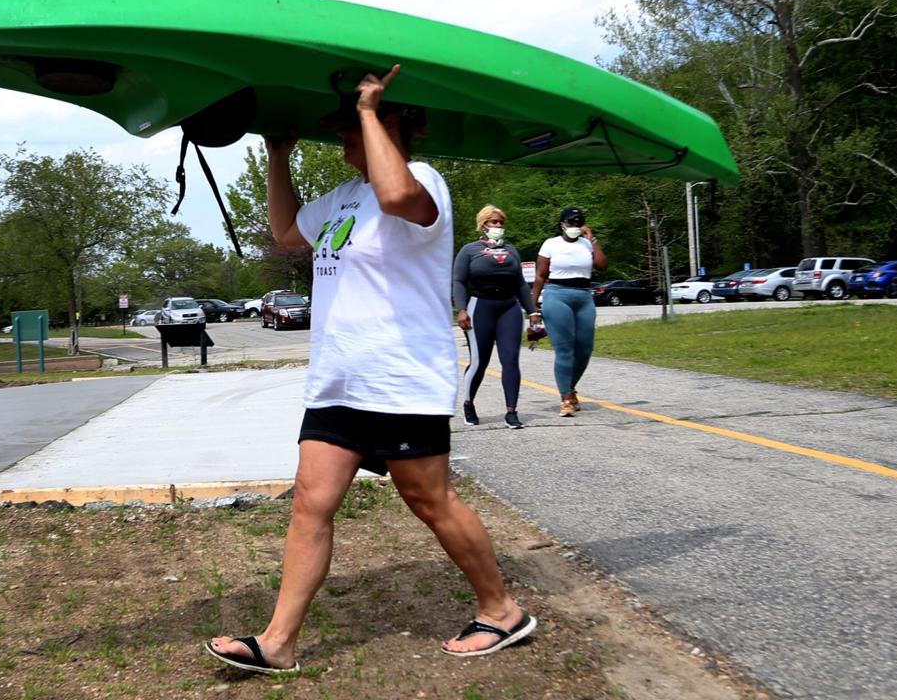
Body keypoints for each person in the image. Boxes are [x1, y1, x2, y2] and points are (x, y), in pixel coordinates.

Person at [206, 65, 536, 674]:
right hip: (339, 378)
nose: (343, 141)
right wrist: (278, 156)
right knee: (311, 500)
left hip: (400, 376)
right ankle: (278, 641)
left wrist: (367, 110)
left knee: (429, 499)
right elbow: (285, 233)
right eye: (342, 130)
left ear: (394, 125)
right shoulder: (342, 199)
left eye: (352, 129)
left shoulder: (425, 183)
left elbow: (395, 196)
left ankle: (502, 609)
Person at [452, 205, 538, 429]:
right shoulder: (469, 250)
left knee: (510, 361)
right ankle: (469, 403)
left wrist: (533, 312)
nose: (498, 226)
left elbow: (520, 283)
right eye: (494, 222)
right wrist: (460, 308)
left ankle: (511, 411)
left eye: (501, 222)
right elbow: (459, 281)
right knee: (480, 362)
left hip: (509, 307)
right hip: (480, 306)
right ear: (483, 225)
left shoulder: (511, 251)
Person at [530, 207, 607, 416]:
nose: (574, 226)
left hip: (583, 296)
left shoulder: (586, 244)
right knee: (565, 349)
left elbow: (601, 265)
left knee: (584, 349)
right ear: (562, 224)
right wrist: (532, 308)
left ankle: (569, 386)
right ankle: (566, 398)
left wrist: (593, 240)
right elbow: (540, 276)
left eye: (578, 223)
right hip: (557, 295)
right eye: (571, 223)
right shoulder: (551, 244)